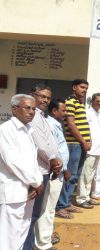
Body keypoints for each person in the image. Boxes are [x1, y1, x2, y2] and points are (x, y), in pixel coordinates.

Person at [0, 94, 43, 250]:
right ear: (14, 109)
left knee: (22, 232)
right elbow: (13, 163)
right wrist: (37, 182)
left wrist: (37, 183)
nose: (31, 112)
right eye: (27, 108)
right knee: (8, 237)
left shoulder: (28, 131)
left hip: (29, 191)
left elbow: (33, 162)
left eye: (33, 109)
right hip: (13, 192)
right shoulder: (5, 131)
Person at [24, 84, 62, 250]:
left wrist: (57, 160)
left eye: (48, 97)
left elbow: (50, 143)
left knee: (37, 213)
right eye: (42, 96)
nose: (46, 100)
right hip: (38, 171)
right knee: (31, 215)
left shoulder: (42, 117)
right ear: (33, 95)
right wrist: (53, 161)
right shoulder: (33, 117)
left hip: (46, 169)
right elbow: (40, 144)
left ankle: (31, 244)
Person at [35, 99, 70, 249]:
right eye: (63, 110)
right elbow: (49, 150)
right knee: (47, 208)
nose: (66, 113)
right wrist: (62, 168)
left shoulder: (55, 125)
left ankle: (45, 238)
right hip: (54, 171)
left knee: (49, 208)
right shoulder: (49, 125)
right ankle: (42, 243)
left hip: (58, 170)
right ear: (54, 111)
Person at [56, 79, 91, 216]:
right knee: (69, 176)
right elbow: (71, 125)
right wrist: (83, 141)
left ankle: (67, 203)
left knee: (74, 176)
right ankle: (60, 206)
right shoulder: (70, 102)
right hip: (74, 144)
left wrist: (88, 140)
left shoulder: (79, 103)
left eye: (86, 88)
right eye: (82, 87)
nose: (84, 90)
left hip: (80, 145)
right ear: (74, 87)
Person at [76, 93, 100, 209]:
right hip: (89, 149)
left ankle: (87, 197)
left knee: (91, 175)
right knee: (85, 175)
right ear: (92, 101)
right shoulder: (87, 112)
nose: (99, 103)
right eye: (97, 101)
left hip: (98, 149)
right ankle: (81, 199)